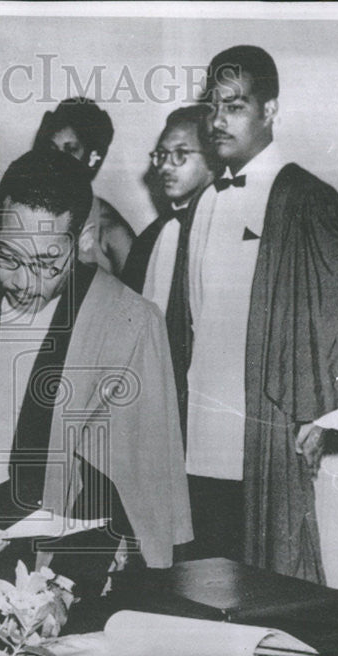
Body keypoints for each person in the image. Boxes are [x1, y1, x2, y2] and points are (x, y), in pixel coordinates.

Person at [0, 149, 191, 602]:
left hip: (69, 562)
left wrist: (63, 589)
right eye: (9, 256)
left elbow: (128, 477)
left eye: (46, 263)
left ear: (83, 239)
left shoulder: (128, 324)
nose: (24, 281)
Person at [177, 45, 338, 581]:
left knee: (265, 588)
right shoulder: (204, 200)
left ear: (270, 110)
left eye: (236, 105)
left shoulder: (306, 198)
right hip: (195, 437)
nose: (219, 120)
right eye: (213, 106)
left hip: (262, 436)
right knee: (194, 588)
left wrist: (327, 418)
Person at [121, 104, 220, 433]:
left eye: (180, 154)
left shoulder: (234, 235)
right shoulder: (150, 239)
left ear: (213, 161)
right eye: (161, 155)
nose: (165, 166)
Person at [33, 98, 134, 277]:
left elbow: (137, 302)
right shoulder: (30, 212)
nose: (56, 159)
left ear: (92, 158)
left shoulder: (112, 230)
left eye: (70, 150)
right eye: (52, 148)